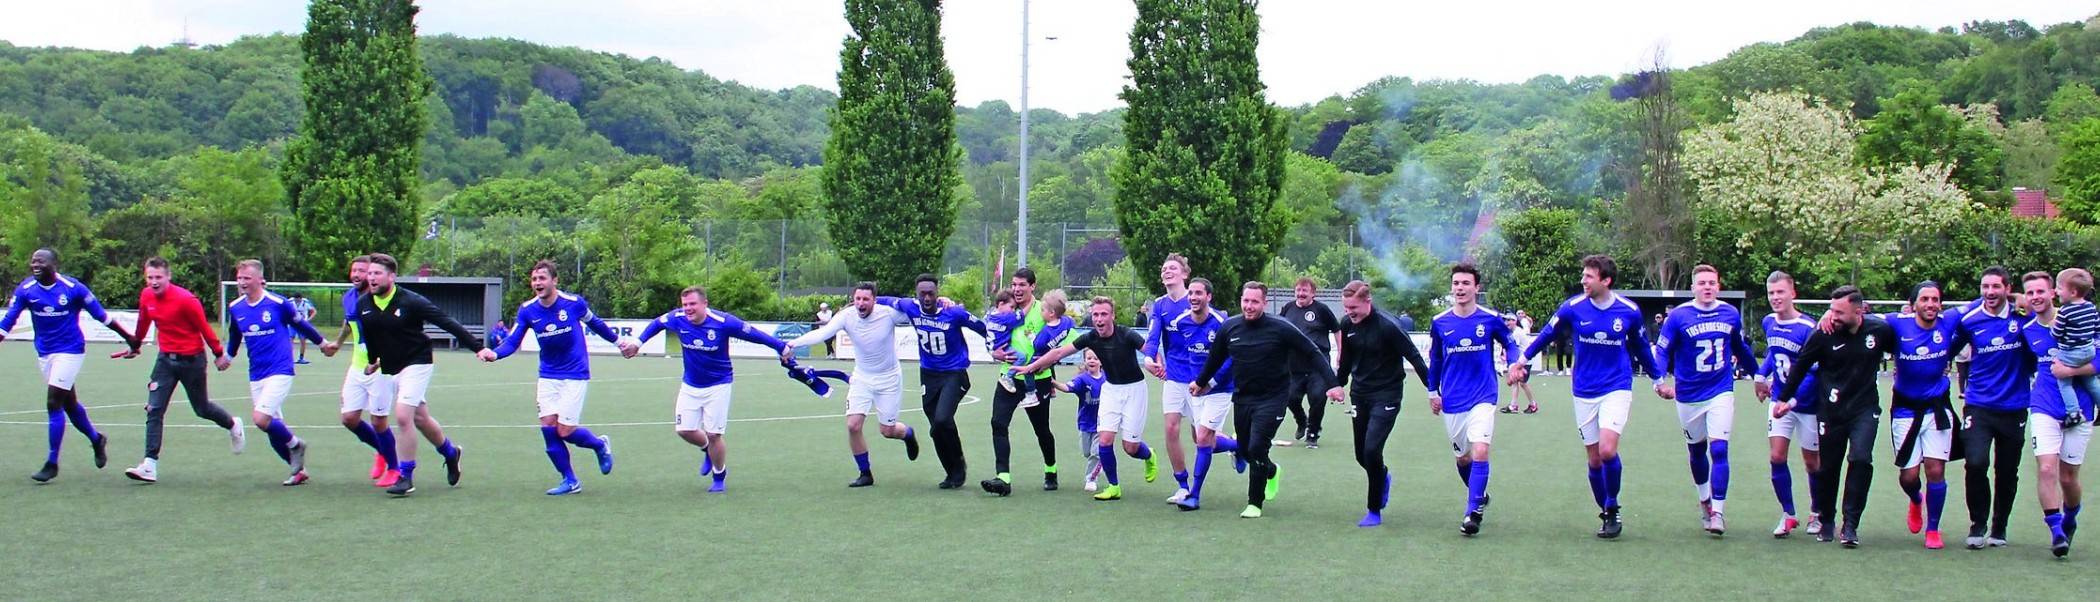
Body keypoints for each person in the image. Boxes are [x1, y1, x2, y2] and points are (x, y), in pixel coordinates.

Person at [1513, 254, 1661, 538]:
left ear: (1606, 281)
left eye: (1589, 276)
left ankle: (1613, 506)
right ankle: (1605, 512)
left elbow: (1642, 348)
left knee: (1607, 450)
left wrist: (1656, 380)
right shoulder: (1573, 307)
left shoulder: (1628, 311)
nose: (1583, 280)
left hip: (1617, 387)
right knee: (1594, 460)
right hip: (1583, 390)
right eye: (1583, 275)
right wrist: (1523, 359)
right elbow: (1546, 334)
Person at [1195, 282, 1342, 519]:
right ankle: (1272, 471)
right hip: (1243, 398)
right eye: (1246, 301)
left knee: (1256, 447)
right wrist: (1200, 383)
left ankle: (1255, 502)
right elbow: (1215, 359)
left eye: (1255, 301)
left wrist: (1334, 384)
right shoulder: (1230, 328)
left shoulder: (1281, 327)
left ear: (1265, 303)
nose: (1249, 306)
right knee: (1245, 449)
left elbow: (1312, 352)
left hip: (1273, 398)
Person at [487, 261, 634, 495]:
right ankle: (570, 480)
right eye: (534, 279)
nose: (537, 283)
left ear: (554, 281)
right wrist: (495, 353)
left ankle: (599, 445)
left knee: (565, 431)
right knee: (548, 427)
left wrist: (619, 343)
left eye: (542, 278)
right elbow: (513, 341)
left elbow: (595, 324)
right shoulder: (527, 310)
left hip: (575, 373)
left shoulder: (574, 304)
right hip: (547, 375)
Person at [0, 248, 141, 482]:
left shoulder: (73, 288)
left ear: (54, 264)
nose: (35, 264)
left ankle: (52, 463)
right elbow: (8, 320)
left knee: (53, 402)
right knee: (70, 405)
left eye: (41, 261)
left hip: (70, 351)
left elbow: (101, 316)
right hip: (45, 354)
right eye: (33, 260)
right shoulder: (26, 290)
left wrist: (129, 338)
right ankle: (97, 439)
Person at [633, 285, 790, 493]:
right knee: (684, 430)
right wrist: (637, 342)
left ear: (704, 304)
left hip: (719, 385)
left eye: (692, 304)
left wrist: (781, 347)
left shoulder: (724, 322)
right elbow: (656, 324)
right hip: (690, 384)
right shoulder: (676, 318)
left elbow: (755, 334)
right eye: (685, 304)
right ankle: (707, 449)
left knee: (714, 434)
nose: (688, 308)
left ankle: (719, 474)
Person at [354, 253, 485, 496]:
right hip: (393, 367)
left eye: (377, 274)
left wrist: (478, 347)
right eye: (369, 273)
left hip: (418, 361)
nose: (371, 278)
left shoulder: (410, 301)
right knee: (420, 419)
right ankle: (450, 452)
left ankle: (405, 476)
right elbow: (371, 336)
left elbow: (446, 322)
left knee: (403, 415)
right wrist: (373, 362)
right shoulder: (363, 305)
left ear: (391, 277)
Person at [1778, 285, 1897, 548]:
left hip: (1865, 410)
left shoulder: (1879, 330)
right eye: (1831, 310)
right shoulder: (1823, 333)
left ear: (1859, 311)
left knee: (1861, 459)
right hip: (1831, 411)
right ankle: (1827, 520)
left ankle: (1851, 524)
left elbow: (1903, 336)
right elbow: (1801, 366)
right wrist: (1783, 398)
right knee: (1828, 467)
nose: (1833, 316)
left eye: (1839, 311)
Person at [1014, 296, 1158, 501]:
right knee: (1105, 442)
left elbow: (1149, 350)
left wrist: (1155, 363)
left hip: (1134, 390)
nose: (1099, 319)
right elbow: (1059, 352)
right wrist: (1030, 367)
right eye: (1096, 314)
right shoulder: (1091, 337)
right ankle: (1113, 486)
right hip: (1111, 391)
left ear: (1112, 316)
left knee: (1130, 448)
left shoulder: (1126, 334)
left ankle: (1148, 455)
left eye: (1103, 314)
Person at [119, 256, 246, 484]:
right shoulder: (147, 296)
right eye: (150, 277)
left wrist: (219, 354)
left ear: (168, 276)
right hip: (165, 361)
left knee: (202, 408)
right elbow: (144, 322)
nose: (154, 282)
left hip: (192, 361)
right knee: (154, 409)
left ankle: (232, 424)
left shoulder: (186, 300)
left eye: (159, 277)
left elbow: (204, 329)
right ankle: (149, 464)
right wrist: (135, 345)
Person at [783, 282, 921, 488]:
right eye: (857, 299)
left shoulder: (888, 314)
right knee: (853, 425)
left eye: (866, 299)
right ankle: (865, 473)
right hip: (862, 378)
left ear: (874, 299)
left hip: (889, 379)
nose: (861, 303)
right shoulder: (846, 316)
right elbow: (822, 333)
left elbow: (919, 313)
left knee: (887, 431)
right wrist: (792, 344)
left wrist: (945, 304)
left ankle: (908, 434)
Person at [1654, 265, 1758, 536]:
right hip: (1688, 393)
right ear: (1693, 288)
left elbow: (1740, 347)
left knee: (1720, 449)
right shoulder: (1678, 316)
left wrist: (1758, 375)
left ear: (1719, 286)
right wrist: (1659, 379)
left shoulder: (1730, 313)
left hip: (1720, 389)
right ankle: (1704, 499)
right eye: (1702, 283)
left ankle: (1718, 512)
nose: (1707, 287)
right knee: (1696, 451)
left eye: (1712, 282)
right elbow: (1663, 350)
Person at [1877, 281, 1969, 549]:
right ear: (1913, 303)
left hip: (1937, 409)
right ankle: (1916, 499)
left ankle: (1933, 529)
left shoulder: (1949, 320)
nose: (1930, 304)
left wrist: (2016, 297)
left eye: (1935, 299)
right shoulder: (1897, 323)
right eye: (1925, 299)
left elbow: (1982, 303)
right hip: (1905, 410)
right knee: (1908, 476)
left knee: (1936, 470)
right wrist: (1828, 315)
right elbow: (1866, 315)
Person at [222, 259, 330, 485]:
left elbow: (301, 325)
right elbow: (235, 336)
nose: (242, 282)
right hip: (256, 373)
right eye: (239, 278)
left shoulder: (278, 303)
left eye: (247, 278)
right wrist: (228, 357)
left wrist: (322, 343)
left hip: (280, 369)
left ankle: (296, 445)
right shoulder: (236, 307)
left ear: (260, 279)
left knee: (261, 419)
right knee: (272, 430)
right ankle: (299, 471)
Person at [876, 274, 986, 490]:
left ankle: (959, 464)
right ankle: (951, 473)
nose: (927, 297)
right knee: (936, 428)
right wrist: (861, 301)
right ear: (916, 294)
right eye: (922, 293)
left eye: (931, 293)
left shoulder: (953, 312)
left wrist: (998, 347)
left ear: (938, 293)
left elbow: (982, 328)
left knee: (943, 419)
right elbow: (887, 300)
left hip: (955, 373)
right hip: (928, 375)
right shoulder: (911, 307)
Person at [1339, 279, 1433, 529]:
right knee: (1361, 455)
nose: (1350, 312)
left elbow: (1414, 356)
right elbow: (1345, 361)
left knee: (1371, 451)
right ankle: (1382, 476)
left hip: (1387, 395)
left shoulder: (1389, 326)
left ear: (1367, 301)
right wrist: (1336, 384)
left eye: (1353, 307)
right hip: (1359, 394)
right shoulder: (1347, 324)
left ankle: (1374, 510)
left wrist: (1433, 389)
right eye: (1346, 308)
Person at [1952, 267, 2033, 550]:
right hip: (1978, 405)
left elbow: (2046, 329)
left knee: (2007, 470)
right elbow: (1948, 348)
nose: (1989, 292)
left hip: (2015, 406)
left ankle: (1999, 527)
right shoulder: (1970, 319)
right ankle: (1977, 524)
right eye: (1985, 287)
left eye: (1996, 287)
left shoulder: (2023, 317)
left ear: (2007, 288)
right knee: (1975, 463)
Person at [1158, 278, 1245, 511]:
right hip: (1197, 390)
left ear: (1209, 297)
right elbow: (1183, 353)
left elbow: (1230, 358)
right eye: (1191, 294)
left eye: (1199, 293)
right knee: (1204, 440)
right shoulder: (1182, 322)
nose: (1194, 297)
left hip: (1220, 389)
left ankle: (1194, 495)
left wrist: (1210, 381)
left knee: (1204, 437)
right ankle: (1238, 447)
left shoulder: (1221, 323)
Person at [2025, 271, 2092, 558]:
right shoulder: (2027, 330)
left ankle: (2070, 517)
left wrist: (2072, 370)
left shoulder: (2077, 319)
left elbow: (2098, 358)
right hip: (2043, 406)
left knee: (2068, 478)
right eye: (2029, 293)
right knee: (2047, 469)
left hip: (2081, 407)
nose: (2035, 297)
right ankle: (2056, 532)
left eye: (2040, 291)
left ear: (2053, 292)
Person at [1753, 271, 1824, 539]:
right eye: (1771, 293)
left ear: (1792, 293)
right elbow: (1774, 352)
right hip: (1780, 399)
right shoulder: (1769, 321)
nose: (1775, 298)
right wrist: (1760, 376)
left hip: (1806, 404)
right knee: (1776, 456)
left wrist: (1791, 401)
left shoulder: (1809, 328)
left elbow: (1813, 372)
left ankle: (1817, 512)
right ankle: (1788, 514)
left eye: (1780, 292)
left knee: (1812, 463)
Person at [985, 269, 1064, 491]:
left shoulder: (1044, 309)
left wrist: (1049, 366)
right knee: (998, 423)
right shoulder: (1005, 307)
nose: (1017, 289)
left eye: (1022, 285)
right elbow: (991, 336)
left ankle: (1050, 469)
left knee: (1041, 429)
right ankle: (1003, 478)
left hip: (1037, 379)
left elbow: (1059, 339)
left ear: (1032, 286)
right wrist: (994, 353)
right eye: (1014, 285)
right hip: (1009, 376)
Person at [1139, 253, 1197, 503]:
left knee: (1202, 438)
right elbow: (1152, 338)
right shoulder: (1160, 305)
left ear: (1185, 274)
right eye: (1164, 268)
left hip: (1198, 379)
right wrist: (1149, 359)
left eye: (1173, 268)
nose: (1167, 271)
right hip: (1173, 377)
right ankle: (1183, 485)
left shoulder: (1195, 300)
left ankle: (1236, 448)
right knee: (1171, 429)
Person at [1283, 277, 1340, 448]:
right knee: (1290, 397)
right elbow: (1278, 330)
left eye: (1304, 291)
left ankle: (1313, 432)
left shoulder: (1322, 309)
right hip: (1294, 365)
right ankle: (1302, 420)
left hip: (1317, 365)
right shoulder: (1288, 308)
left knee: (1317, 398)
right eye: (1298, 290)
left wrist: (1341, 353)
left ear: (1312, 293)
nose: (1300, 294)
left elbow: (1337, 330)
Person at [1051, 350, 1107, 492]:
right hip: (1085, 422)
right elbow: (1067, 387)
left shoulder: (1108, 378)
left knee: (1096, 452)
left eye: (1095, 358)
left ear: (1101, 361)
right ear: (1085, 361)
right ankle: (1100, 463)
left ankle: (1091, 479)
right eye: (1089, 358)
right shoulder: (1082, 379)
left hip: (1103, 423)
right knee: (1087, 453)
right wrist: (1052, 383)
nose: (1092, 360)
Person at [2051, 268, 2099, 427]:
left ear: (2072, 292)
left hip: (2072, 352)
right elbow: (2096, 328)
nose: (2056, 292)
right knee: (2090, 379)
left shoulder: (2065, 311)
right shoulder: (2091, 307)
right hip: (2089, 350)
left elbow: (2056, 334)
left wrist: (2053, 327)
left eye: (2059, 288)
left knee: (2063, 380)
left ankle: (2074, 412)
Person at [1501, 315, 1539, 414]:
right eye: (1506, 320)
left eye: (1509, 320)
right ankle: (1515, 405)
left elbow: (1514, 349)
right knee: (1517, 383)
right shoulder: (1512, 332)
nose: (1507, 322)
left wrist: (1512, 365)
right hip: (1521, 361)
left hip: (1524, 361)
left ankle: (1531, 405)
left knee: (1521, 383)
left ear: (1515, 321)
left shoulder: (1517, 333)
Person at [290, 293, 317, 364]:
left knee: (302, 340)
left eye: (298, 300)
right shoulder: (290, 302)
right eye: (296, 300)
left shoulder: (306, 302)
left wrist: (308, 319)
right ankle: (289, 358)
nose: (297, 301)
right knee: (290, 341)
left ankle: (301, 358)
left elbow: (314, 311)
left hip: (302, 324)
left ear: (301, 299)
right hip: (292, 324)